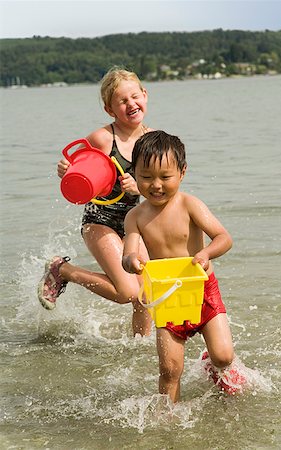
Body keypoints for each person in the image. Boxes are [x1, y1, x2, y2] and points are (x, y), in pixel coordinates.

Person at [122, 130, 247, 402]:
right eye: (146, 177)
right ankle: (168, 419)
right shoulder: (135, 216)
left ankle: (211, 365)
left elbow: (224, 238)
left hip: (202, 289)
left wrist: (206, 253)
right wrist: (131, 261)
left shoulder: (190, 204)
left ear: (182, 172)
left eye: (165, 177)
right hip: (167, 296)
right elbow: (128, 252)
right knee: (169, 369)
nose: (156, 185)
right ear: (134, 174)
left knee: (223, 357)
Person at [37, 67, 153, 336]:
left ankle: (138, 347)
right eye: (122, 101)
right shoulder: (103, 138)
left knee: (147, 291)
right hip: (99, 220)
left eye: (135, 96)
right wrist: (66, 170)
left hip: (134, 224)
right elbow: (77, 170)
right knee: (127, 292)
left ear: (145, 95)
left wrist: (140, 187)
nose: (131, 104)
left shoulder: (154, 140)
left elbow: (164, 187)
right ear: (110, 110)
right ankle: (63, 271)